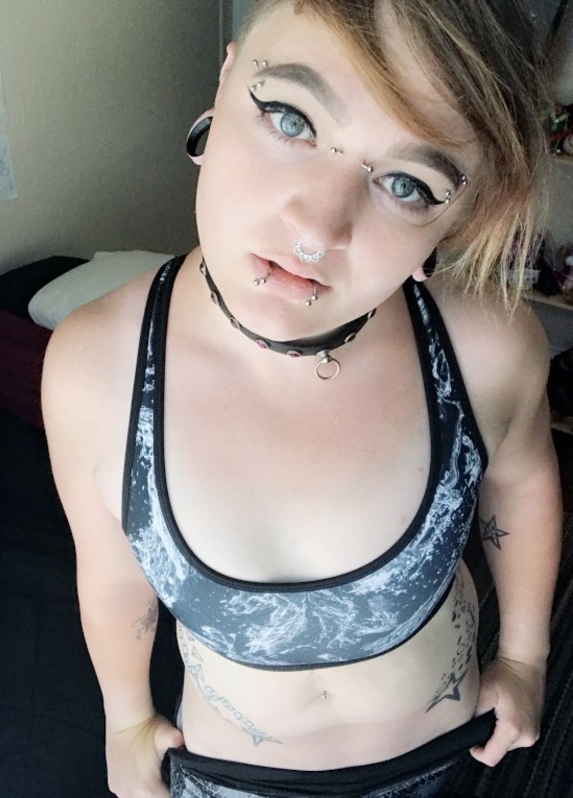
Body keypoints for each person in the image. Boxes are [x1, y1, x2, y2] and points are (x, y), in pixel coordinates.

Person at [42, 1, 563, 796]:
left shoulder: (486, 347)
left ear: (457, 217)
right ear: (225, 82)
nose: (317, 231)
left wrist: (525, 657)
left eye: (407, 185)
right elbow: (114, 571)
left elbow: (521, 483)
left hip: (439, 757)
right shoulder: (94, 371)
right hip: (230, 776)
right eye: (290, 119)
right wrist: (125, 719)